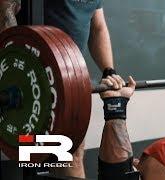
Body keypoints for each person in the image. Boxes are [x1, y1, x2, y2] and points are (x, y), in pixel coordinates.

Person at [0, 0, 123, 178]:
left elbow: (97, 28)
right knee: (29, 152)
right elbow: (6, 6)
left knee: (69, 152)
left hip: (68, 83)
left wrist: (108, 70)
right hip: (29, 76)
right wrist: (20, 64)